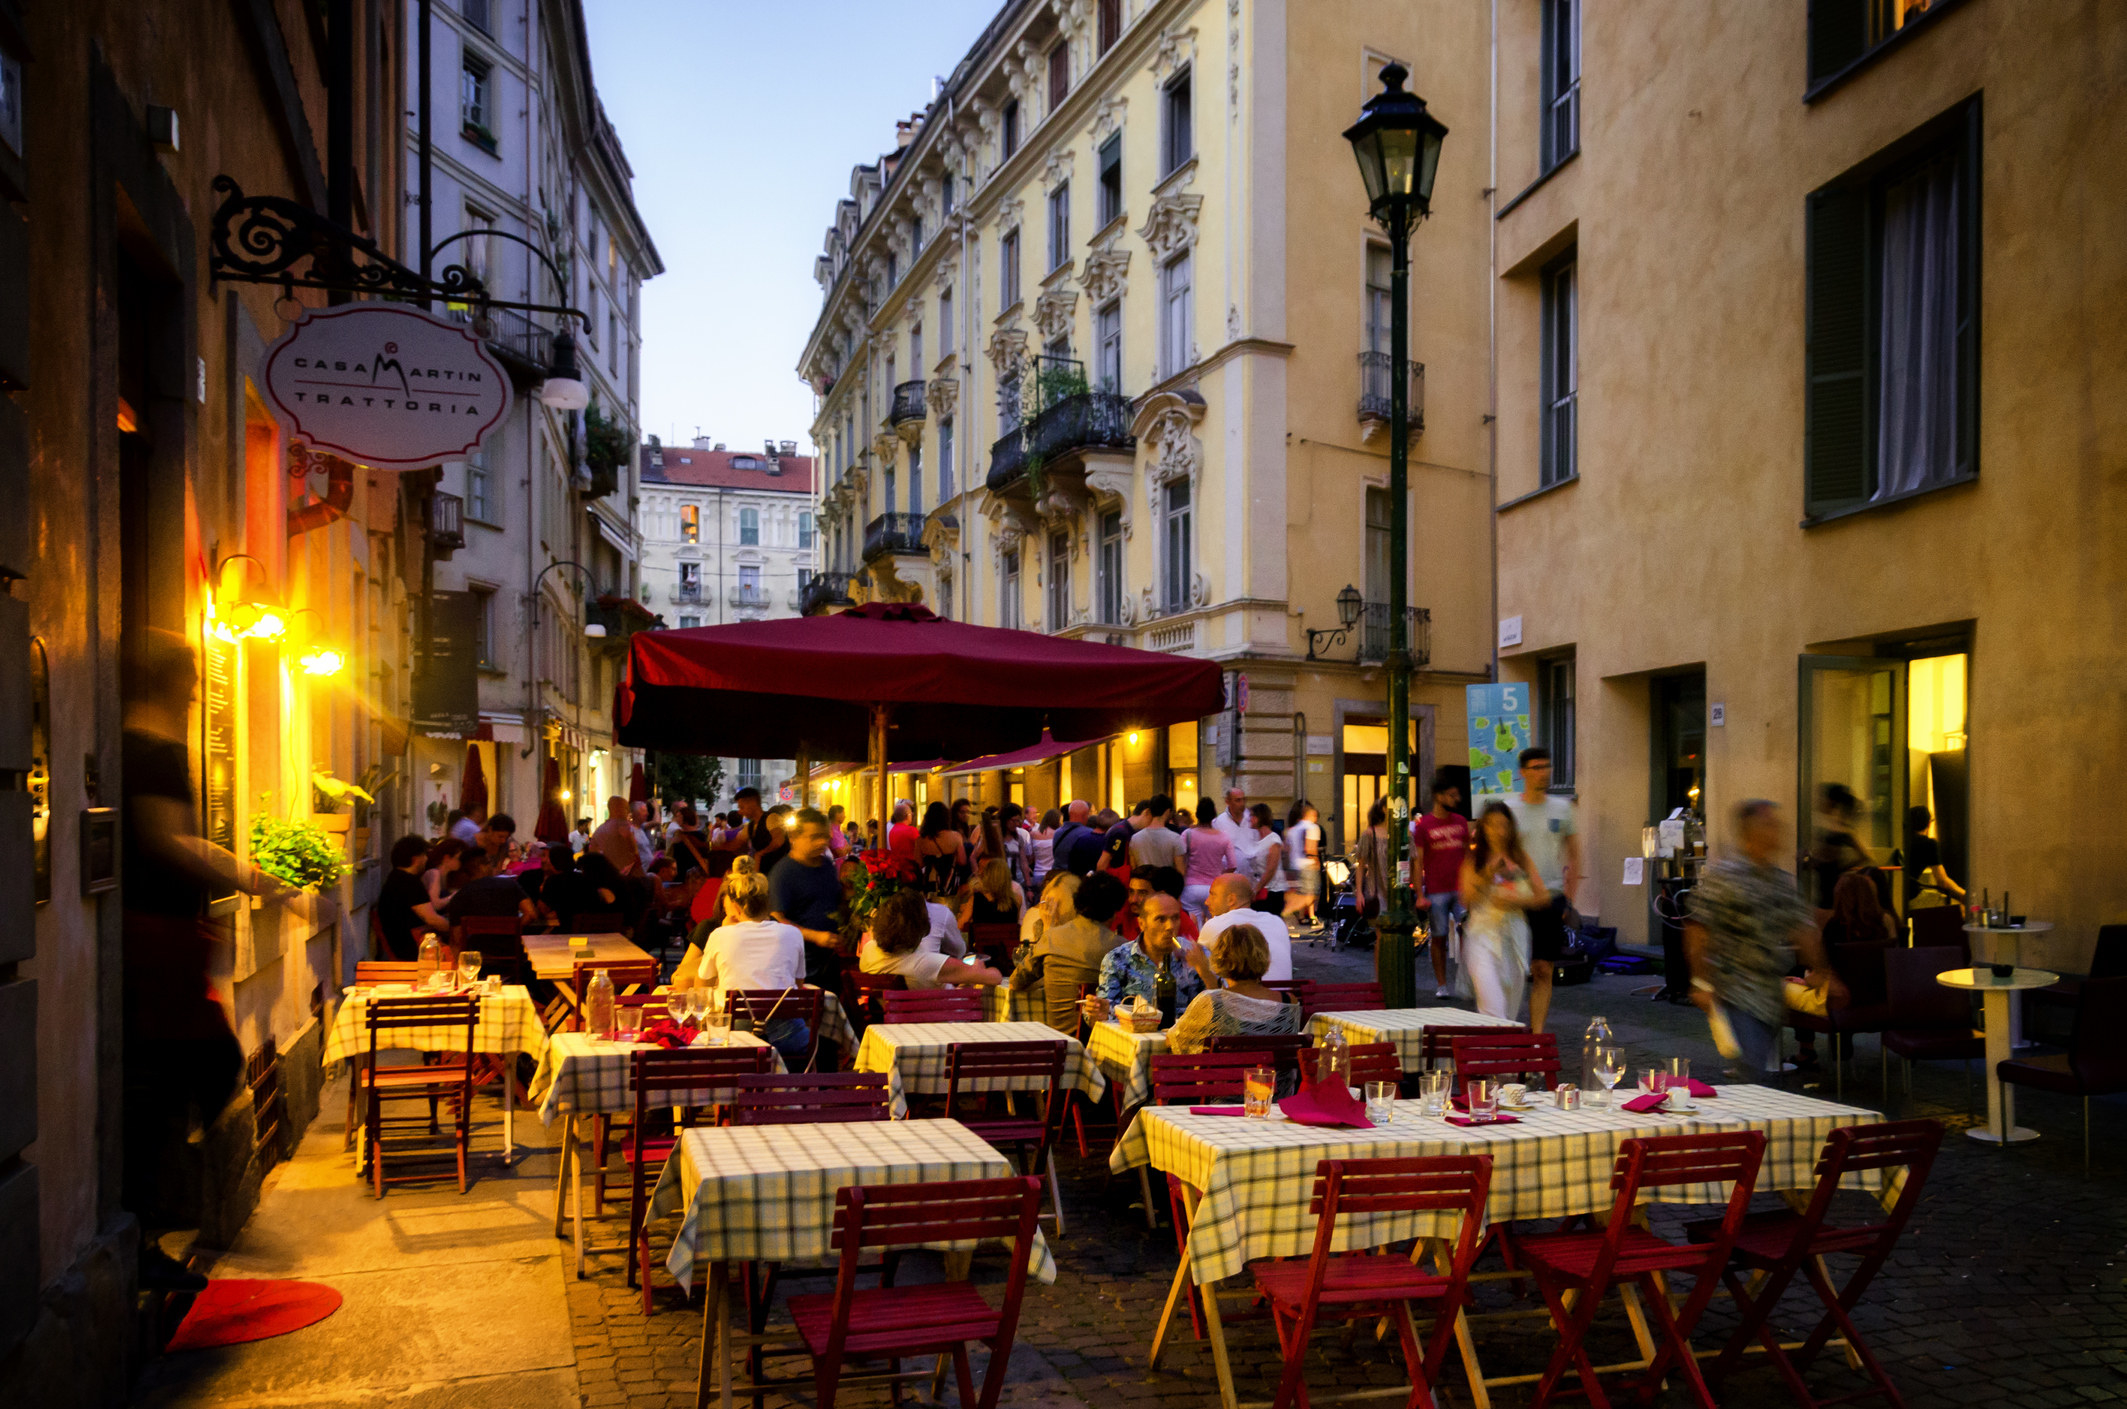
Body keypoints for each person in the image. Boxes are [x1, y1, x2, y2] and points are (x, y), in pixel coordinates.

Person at [120, 630, 300, 1292]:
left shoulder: (146, 743)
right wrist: (251, 876)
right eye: (192, 677)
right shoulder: (152, 748)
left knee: (185, 1080)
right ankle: (158, 1224)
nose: (199, 687)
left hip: (167, 943)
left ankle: (167, 1221)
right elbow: (166, 837)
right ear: (172, 679)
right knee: (188, 1079)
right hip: (157, 944)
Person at [1686, 800, 1846, 1080]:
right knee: (1752, 1077)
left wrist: (1823, 973)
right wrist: (1700, 982)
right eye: (1770, 825)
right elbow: (1697, 930)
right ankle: (1745, 1120)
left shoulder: (1779, 881)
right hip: (1737, 995)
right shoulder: (1725, 878)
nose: (1778, 831)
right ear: (1751, 832)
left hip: (1770, 997)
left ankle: (1746, 1115)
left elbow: (1803, 931)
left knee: (1755, 1075)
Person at [673, 855, 813, 1065]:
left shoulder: (720, 935)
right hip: (789, 1036)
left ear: (737, 907)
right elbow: (798, 987)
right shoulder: (793, 934)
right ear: (767, 904)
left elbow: (702, 991)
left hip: (738, 1036)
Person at [1499, 748, 1580, 1033]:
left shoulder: (1562, 808)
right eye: (1535, 767)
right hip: (1517, 899)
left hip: (1550, 897)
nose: (1542, 772)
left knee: (1543, 969)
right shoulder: (1509, 809)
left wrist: (1569, 899)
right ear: (1522, 772)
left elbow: (1574, 853)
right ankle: (1506, 1026)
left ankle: (1536, 1035)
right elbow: (1498, 853)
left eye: (1546, 766)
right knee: (1514, 970)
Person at [1009, 870, 1129, 1030]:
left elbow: (1016, 982)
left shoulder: (1052, 937)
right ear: (1114, 911)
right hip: (1103, 1043)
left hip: (1058, 1039)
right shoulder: (1121, 947)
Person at [1460, 803, 1547, 1021]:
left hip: (1515, 938)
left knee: (1509, 1010)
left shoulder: (1520, 858)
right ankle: (1493, 1051)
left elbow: (1543, 897)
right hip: (1482, 939)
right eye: (1493, 825)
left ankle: (1498, 1053)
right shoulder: (1474, 860)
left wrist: (1517, 899)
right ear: (1483, 828)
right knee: (1493, 1009)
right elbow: (1466, 898)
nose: (1499, 831)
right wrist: (1488, 874)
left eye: (1504, 825)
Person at [1168, 923, 1304, 1060]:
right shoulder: (1289, 1002)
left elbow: (1175, 1042)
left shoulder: (1209, 1001)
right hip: (1273, 1079)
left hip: (1226, 1079)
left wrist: (1204, 970)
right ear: (1265, 957)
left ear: (1219, 959)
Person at [765, 807, 847, 988]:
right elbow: (777, 919)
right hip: (802, 966)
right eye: (814, 837)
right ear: (794, 837)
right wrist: (815, 936)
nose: (822, 842)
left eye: (825, 837)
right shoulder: (783, 873)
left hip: (830, 960)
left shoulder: (826, 864)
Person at [1092, 892, 1205, 1023]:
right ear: (1142, 923)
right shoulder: (1118, 959)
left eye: (1175, 918)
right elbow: (1104, 1013)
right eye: (1161, 919)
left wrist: (1205, 971)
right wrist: (1099, 1012)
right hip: (1135, 1036)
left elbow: (1219, 1011)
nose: (1170, 927)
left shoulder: (1194, 954)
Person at [859, 890, 1004, 990]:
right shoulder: (927, 962)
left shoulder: (869, 950)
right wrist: (977, 965)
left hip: (896, 1022)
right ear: (921, 924)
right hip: (942, 1019)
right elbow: (995, 978)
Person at [1412, 771, 1472, 999]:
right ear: (1438, 796)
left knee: (1469, 931)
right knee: (1438, 937)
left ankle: (1466, 978)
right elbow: (1418, 863)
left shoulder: (1461, 822)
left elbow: (1468, 856)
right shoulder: (1424, 826)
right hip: (1436, 889)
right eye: (1451, 795)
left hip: (1460, 888)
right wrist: (1420, 893)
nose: (1456, 799)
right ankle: (1442, 984)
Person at [1199, 872, 1293, 982]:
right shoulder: (1277, 921)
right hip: (1282, 996)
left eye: (1212, 894)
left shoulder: (1214, 924)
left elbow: (1198, 969)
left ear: (1231, 900)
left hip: (1242, 997)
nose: (1207, 901)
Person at [377, 834, 448, 959]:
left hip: (403, 944)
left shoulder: (395, 878)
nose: (426, 859)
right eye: (424, 855)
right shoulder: (409, 883)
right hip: (414, 949)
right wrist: (454, 928)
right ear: (416, 859)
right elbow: (431, 918)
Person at [441, 846, 541, 927]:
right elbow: (531, 914)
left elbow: (456, 939)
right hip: (510, 950)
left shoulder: (460, 897)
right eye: (490, 863)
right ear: (482, 867)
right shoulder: (510, 885)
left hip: (474, 950)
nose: (492, 867)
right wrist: (511, 930)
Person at [1179, 798, 1240, 921]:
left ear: (1197, 814)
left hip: (1191, 887)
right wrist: (1220, 875)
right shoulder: (1224, 837)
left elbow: (1180, 860)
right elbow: (1233, 865)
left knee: (1195, 927)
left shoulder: (1188, 834)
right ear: (1214, 814)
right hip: (1214, 887)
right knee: (1215, 923)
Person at [1902, 804, 1965, 910]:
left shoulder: (1901, 840)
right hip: (1911, 897)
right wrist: (1963, 894)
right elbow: (1942, 881)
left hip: (1895, 896)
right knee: (1959, 908)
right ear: (1928, 824)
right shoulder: (1929, 844)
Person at [1350, 797, 1393, 932]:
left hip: (1397, 892)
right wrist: (1359, 894)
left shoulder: (1403, 833)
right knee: (1381, 935)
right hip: (1377, 890)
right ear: (1384, 809)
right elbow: (1360, 865)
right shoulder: (1370, 834)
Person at [1282, 800, 1323, 933]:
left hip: (1294, 865)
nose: (1316, 819)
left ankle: (1302, 917)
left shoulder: (1292, 830)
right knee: (1311, 892)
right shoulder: (1312, 828)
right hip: (1307, 864)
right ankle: (1310, 916)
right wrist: (1316, 860)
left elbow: (1287, 849)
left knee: (1301, 891)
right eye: (1315, 816)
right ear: (1310, 815)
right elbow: (1310, 847)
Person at [915, 800, 969, 895]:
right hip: (950, 881)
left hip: (930, 881)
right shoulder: (956, 836)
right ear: (946, 818)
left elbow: (919, 863)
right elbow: (962, 861)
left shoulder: (920, 840)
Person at [960, 857, 1026, 931]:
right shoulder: (1017, 899)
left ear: (987, 876)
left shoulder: (976, 898)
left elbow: (961, 925)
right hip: (1007, 941)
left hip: (982, 941)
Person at [1127, 794, 1185, 873]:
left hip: (1142, 883)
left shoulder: (1135, 838)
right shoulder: (1175, 838)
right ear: (1167, 811)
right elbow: (1181, 870)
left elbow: (1133, 866)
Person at [1245, 804, 1285, 914]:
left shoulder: (1273, 840)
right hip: (1259, 889)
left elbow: (1271, 869)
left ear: (1260, 817)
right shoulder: (1255, 839)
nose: (1249, 819)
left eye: (1252, 815)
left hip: (1271, 891)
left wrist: (1257, 888)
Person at [589, 795, 641, 877]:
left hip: (606, 876)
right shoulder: (624, 827)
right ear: (617, 809)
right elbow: (636, 853)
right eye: (625, 808)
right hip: (625, 878)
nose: (628, 812)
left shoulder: (599, 830)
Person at [1053, 799, 1105, 878]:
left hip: (1058, 877)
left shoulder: (1057, 832)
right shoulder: (1088, 833)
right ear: (1085, 815)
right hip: (1076, 879)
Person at [667, 804, 714, 880]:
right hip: (689, 874)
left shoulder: (684, 837)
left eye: (678, 816)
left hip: (689, 875)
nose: (676, 819)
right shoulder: (700, 835)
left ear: (684, 818)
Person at [420, 836, 468, 908]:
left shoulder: (447, 876)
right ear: (447, 858)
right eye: (459, 858)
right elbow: (435, 904)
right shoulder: (434, 873)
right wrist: (455, 895)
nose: (462, 862)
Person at [1210, 787, 1252, 854]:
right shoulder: (1218, 823)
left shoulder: (1252, 819)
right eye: (1238, 800)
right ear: (1227, 802)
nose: (1242, 804)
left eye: (1244, 799)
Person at [1028, 809, 1060, 891]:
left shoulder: (1033, 834)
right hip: (1052, 875)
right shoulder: (1058, 834)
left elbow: (1031, 857)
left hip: (1037, 874)